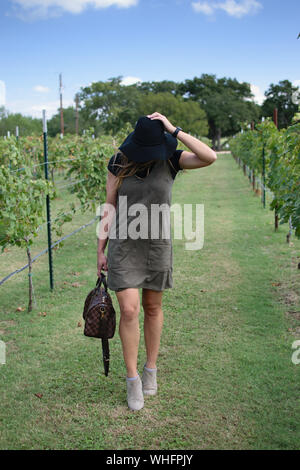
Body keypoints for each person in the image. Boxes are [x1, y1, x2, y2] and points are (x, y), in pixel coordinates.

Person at [97, 112, 217, 411]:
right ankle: (133, 378)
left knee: (152, 308)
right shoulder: (118, 162)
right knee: (129, 309)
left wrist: (174, 130)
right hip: (124, 245)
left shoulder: (172, 160)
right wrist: (100, 248)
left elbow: (209, 156)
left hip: (156, 244)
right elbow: (109, 207)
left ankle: (151, 369)